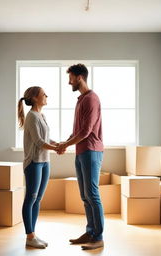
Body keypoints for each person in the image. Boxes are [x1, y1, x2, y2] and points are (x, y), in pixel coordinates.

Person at [58, 64, 104, 250]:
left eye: (70, 77)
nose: (69, 81)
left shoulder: (91, 99)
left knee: (92, 194)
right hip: (81, 151)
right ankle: (90, 231)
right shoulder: (81, 100)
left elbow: (86, 131)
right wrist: (65, 143)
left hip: (91, 150)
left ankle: (98, 237)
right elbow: (77, 131)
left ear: (79, 77)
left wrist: (66, 145)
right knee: (85, 195)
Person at [17, 86, 58, 249]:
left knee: (38, 199)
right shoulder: (32, 117)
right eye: (43, 94)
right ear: (34, 98)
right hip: (34, 163)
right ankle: (30, 236)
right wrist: (56, 148)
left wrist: (58, 144)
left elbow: (46, 138)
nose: (46, 96)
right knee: (31, 199)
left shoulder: (41, 115)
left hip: (45, 161)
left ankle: (33, 234)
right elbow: (39, 142)